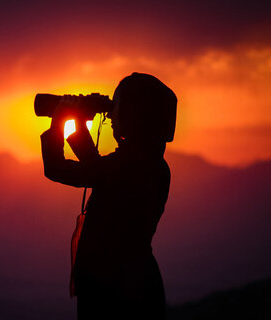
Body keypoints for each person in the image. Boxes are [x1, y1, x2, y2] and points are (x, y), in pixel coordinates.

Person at [40, 73, 177, 319]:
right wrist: (77, 122)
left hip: (114, 292)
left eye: (118, 107)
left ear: (135, 117)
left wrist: (61, 117)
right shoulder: (153, 165)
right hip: (136, 283)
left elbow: (56, 169)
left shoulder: (128, 165)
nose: (112, 115)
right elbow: (97, 169)